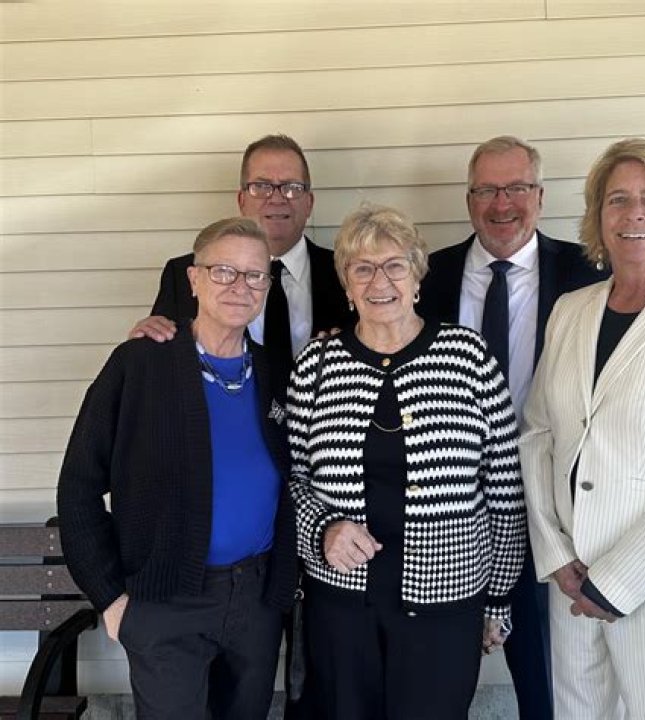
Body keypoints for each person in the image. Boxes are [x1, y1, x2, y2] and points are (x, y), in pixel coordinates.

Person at [286, 204, 526, 720]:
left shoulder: (467, 356)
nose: (380, 281)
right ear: (346, 285)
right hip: (341, 604)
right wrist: (322, 529)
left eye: (394, 265)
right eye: (363, 268)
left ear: (417, 276)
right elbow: (291, 477)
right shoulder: (316, 364)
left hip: (446, 604)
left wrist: (498, 598)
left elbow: (504, 488)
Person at [57, 218, 297, 720]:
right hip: (166, 601)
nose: (240, 286)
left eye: (255, 275)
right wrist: (110, 598)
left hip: (254, 601)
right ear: (193, 279)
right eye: (223, 271)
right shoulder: (140, 364)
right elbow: (78, 488)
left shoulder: (276, 372)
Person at [519, 138, 645, 719]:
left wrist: (614, 583)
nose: (635, 214)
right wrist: (555, 554)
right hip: (571, 584)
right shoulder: (571, 310)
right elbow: (537, 434)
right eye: (618, 199)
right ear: (598, 214)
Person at [419, 135, 608, 720]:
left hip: (552, 501)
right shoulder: (428, 275)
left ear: (540, 196)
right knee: (434, 678)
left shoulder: (591, 273)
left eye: (517, 188)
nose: (502, 204)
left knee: (545, 675)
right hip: (448, 511)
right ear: (469, 199)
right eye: (486, 190)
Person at [130, 133, 352, 399]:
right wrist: (145, 343)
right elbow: (162, 364)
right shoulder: (188, 274)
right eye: (261, 186)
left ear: (309, 202)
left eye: (292, 187)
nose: (277, 198)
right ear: (242, 199)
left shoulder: (348, 274)